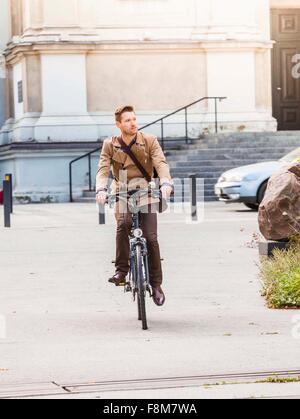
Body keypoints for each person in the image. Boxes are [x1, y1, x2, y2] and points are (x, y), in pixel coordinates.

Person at [96, 105, 173, 306]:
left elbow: (160, 163)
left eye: (134, 119)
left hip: (145, 192)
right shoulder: (110, 145)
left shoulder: (149, 141)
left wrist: (165, 182)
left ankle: (156, 284)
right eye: (128, 120)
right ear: (119, 124)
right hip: (121, 191)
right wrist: (101, 189)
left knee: (151, 237)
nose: (133, 123)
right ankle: (122, 270)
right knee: (124, 224)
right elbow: (103, 170)